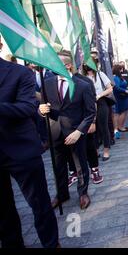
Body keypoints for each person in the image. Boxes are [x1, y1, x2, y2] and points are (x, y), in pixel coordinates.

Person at [0, 37, 59, 248]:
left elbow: (27, 107)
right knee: (3, 212)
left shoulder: (19, 73)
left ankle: (51, 243)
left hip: (21, 150)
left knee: (40, 205)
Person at [39, 53, 96, 210]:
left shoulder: (83, 84)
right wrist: (41, 110)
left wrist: (79, 131)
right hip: (55, 133)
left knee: (80, 164)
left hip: (75, 133)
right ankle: (61, 194)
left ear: (67, 66)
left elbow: (90, 112)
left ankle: (83, 193)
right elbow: (44, 108)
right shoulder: (47, 84)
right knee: (58, 166)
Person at [83, 58, 113, 161]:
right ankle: (95, 150)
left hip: (101, 102)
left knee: (103, 127)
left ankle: (106, 150)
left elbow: (110, 88)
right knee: (92, 128)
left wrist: (99, 95)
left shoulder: (100, 74)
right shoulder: (83, 77)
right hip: (88, 104)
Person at [112, 64, 128, 136]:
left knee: (123, 111)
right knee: (121, 112)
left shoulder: (119, 77)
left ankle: (120, 126)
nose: (122, 70)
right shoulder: (116, 78)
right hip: (120, 97)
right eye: (121, 69)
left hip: (123, 96)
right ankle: (119, 127)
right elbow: (116, 87)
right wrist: (125, 90)